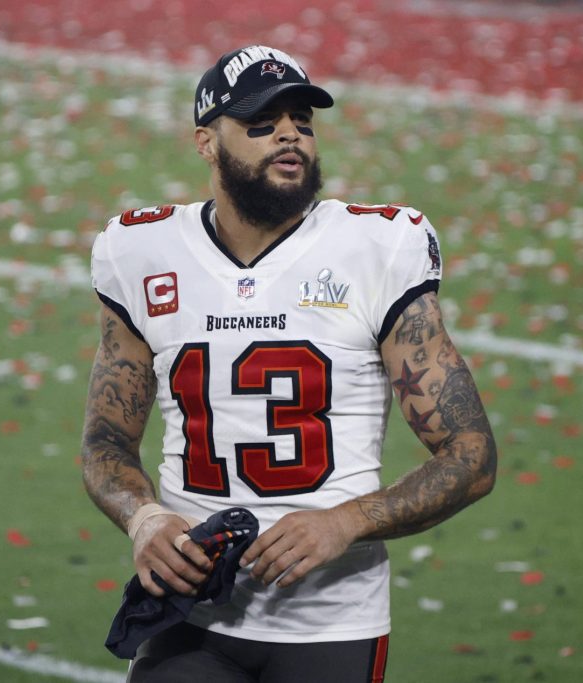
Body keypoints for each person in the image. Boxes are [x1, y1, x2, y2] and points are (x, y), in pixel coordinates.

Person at [81, 44, 497, 683]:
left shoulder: (377, 247)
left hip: (329, 626)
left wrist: (346, 522)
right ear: (205, 142)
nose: (289, 134)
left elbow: (471, 455)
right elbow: (107, 443)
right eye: (261, 122)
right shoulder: (142, 250)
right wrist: (145, 519)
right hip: (192, 614)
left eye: (302, 120)